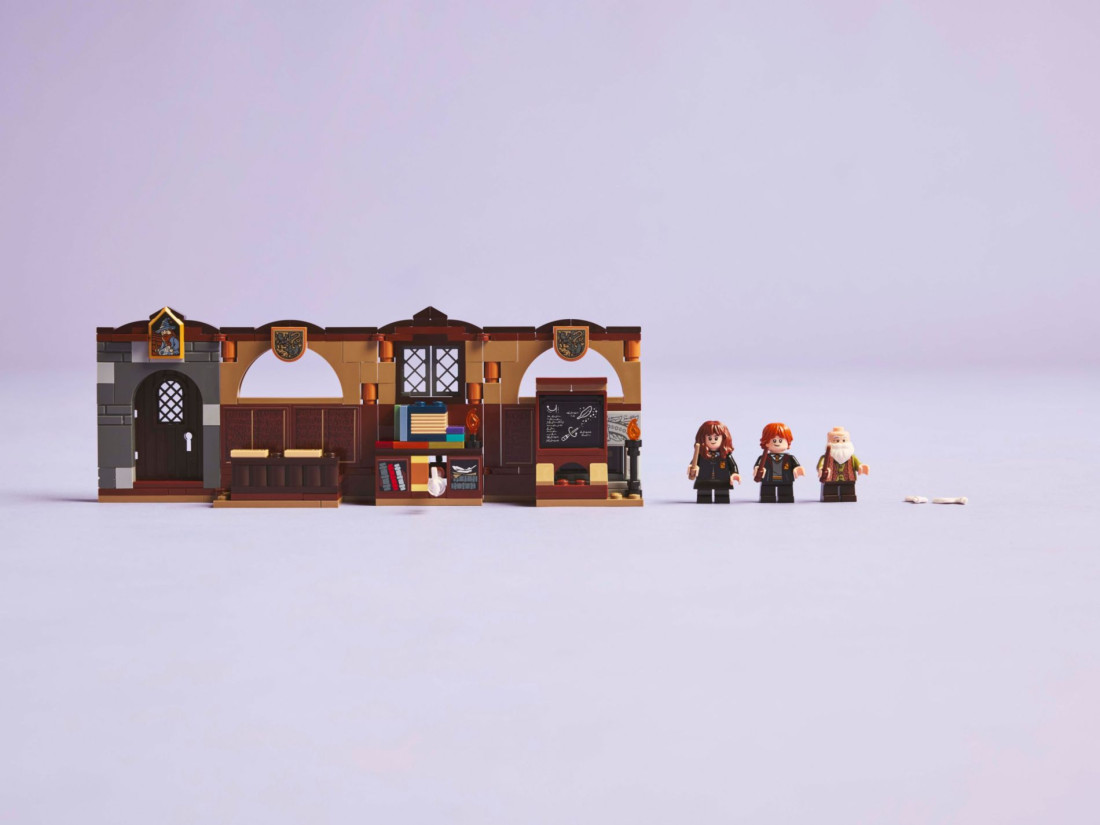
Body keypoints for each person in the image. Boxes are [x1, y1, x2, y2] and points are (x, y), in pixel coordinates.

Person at [688, 420, 740, 503]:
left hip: (723, 481)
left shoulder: (725, 455)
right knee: (703, 497)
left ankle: (721, 498)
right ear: (703, 439)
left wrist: (734, 473)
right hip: (704, 480)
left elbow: (733, 465)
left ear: (724, 438)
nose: (713, 441)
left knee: (722, 497)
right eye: (709, 438)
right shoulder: (701, 455)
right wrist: (692, 467)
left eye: (716, 438)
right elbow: (694, 463)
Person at [752, 422, 804, 502]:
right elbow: (758, 465)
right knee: (767, 495)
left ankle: (786, 498)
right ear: (766, 442)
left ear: (788, 441)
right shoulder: (763, 457)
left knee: (786, 495)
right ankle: (767, 498)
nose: (777, 443)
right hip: (768, 480)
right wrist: (758, 468)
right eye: (773, 440)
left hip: (785, 480)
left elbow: (796, 465)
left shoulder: (790, 458)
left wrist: (797, 468)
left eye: (780, 440)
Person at [817, 426, 869, 502]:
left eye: (844, 440)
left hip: (848, 478)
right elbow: (821, 465)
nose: (841, 444)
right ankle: (830, 496)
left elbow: (857, 464)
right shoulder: (827, 457)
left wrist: (860, 467)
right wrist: (821, 469)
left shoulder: (852, 457)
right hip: (830, 479)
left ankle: (848, 496)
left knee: (848, 491)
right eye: (837, 440)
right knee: (830, 491)